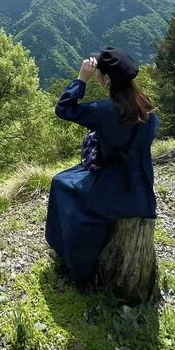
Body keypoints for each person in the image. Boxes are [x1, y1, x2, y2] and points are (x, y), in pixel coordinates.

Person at [45, 46, 158, 288]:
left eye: (99, 72)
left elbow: (64, 109)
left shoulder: (107, 112)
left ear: (106, 79)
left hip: (114, 191)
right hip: (144, 191)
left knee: (61, 184)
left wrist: (81, 80)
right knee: (71, 178)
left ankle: (73, 261)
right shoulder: (148, 110)